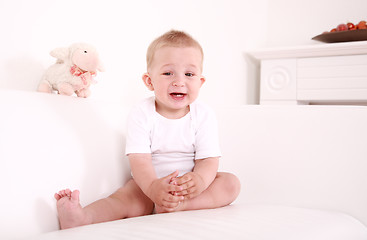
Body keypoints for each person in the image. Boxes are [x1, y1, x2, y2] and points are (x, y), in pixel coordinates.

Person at [54, 30, 241, 229]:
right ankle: (84, 217)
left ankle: (182, 205)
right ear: (149, 81)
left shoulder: (204, 114)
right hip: (147, 185)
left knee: (231, 184)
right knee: (122, 199)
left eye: (189, 74)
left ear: (200, 82)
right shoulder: (142, 113)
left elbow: (208, 160)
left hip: (188, 186)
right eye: (168, 73)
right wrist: (153, 188)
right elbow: (139, 160)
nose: (179, 81)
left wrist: (199, 181)